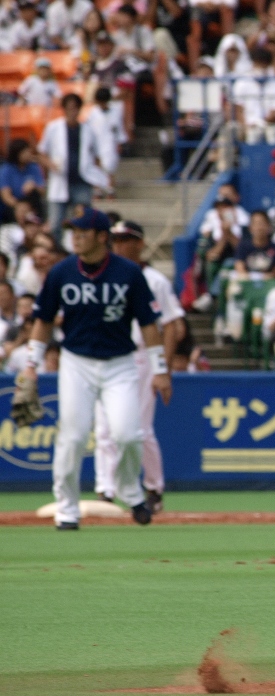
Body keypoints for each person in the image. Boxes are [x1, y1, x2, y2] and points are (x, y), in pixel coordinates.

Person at [15, 208, 170, 530]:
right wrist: (31, 365)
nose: (76, 237)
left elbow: (149, 324)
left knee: (129, 434)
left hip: (121, 363)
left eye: (83, 232)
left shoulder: (128, 273)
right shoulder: (62, 272)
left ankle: (129, 489)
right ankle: (67, 509)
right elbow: (43, 322)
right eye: (73, 231)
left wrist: (160, 369)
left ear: (103, 237)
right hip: (76, 363)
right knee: (72, 438)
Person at [94, 220, 185, 514]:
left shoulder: (154, 279)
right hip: (109, 356)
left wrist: (164, 368)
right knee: (105, 428)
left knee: (140, 428)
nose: (119, 244)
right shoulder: (103, 275)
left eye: (126, 239)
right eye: (116, 239)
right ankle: (105, 491)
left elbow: (173, 326)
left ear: (140, 243)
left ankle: (153, 487)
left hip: (144, 357)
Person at [36, 94, 109, 235]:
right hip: (60, 178)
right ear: (64, 109)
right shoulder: (53, 128)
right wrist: (50, 165)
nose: (72, 112)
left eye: (75, 108)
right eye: (69, 108)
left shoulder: (88, 130)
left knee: (83, 222)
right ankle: (59, 254)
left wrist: (97, 177)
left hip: (81, 181)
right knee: (56, 223)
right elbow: (41, 152)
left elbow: (96, 155)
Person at [0, 140, 45, 222]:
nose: (28, 155)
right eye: (25, 152)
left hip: (32, 203)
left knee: (35, 195)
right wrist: (19, 205)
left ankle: (40, 223)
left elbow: (42, 190)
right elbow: (6, 196)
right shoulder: (6, 170)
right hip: (14, 205)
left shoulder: (34, 167)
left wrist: (34, 186)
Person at [234, 211, 275, 276]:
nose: (259, 228)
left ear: (269, 227)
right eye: (256, 224)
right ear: (250, 228)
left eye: (262, 223)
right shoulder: (243, 247)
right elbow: (240, 268)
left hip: (268, 282)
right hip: (248, 281)